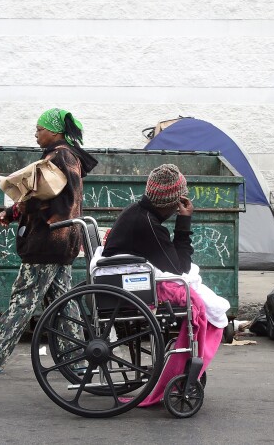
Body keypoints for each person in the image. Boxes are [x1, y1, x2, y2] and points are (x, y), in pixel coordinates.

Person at [0, 108, 97, 374]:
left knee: (23, 300)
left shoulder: (57, 157)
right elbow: (47, 196)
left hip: (47, 242)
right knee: (63, 305)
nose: (36, 133)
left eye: (40, 128)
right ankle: (78, 362)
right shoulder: (70, 157)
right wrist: (14, 212)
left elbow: (45, 199)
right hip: (65, 240)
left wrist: (15, 211)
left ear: (55, 131)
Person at [102, 163, 229, 407]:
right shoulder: (148, 225)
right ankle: (183, 361)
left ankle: (179, 365)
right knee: (205, 303)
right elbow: (179, 266)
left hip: (126, 278)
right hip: (129, 287)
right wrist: (184, 221)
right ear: (172, 202)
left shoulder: (140, 213)